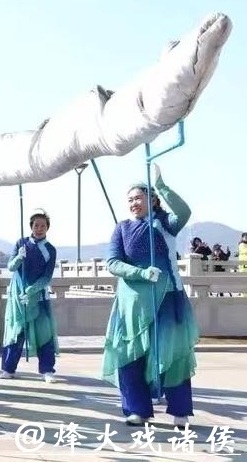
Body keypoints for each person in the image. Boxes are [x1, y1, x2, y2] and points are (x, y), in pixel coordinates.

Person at [101, 165, 198, 428]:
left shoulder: (166, 223)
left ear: (152, 200)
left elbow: (184, 212)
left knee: (173, 355)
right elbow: (112, 263)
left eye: (139, 197)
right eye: (130, 199)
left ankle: (180, 410)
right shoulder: (122, 228)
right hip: (132, 303)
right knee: (130, 355)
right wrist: (141, 273)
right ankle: (137, 409)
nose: (134, 203)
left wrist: (162, 186)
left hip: (167, 297)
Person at [0, 209, 59, 383]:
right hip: (18, 297)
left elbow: (47, 277)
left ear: (47, 228)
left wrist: (31, 291)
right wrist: (19, 257)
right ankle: (8, 368)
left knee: (44, 333)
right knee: (17, 332)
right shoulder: (21, 243)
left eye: (43, 226)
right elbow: (11, 267)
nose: (39, 229)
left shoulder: (50, 250)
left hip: (38, 297)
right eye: (36, 225)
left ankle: (47, 370)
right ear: (31, 227)